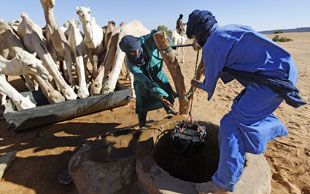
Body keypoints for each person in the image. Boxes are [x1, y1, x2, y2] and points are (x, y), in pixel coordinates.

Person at [186, 9, 306, 193]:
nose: (195, 41)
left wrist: (198, 83)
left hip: (271, 82)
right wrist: (212, 67)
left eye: (194, 36)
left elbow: (208, 87)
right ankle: (238, 154)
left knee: (229, 123)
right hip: (284, 70)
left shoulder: (211, 46)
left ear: (199, 32)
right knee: (239, 107)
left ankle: (222, 184)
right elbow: (240, 56)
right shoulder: (231, 29)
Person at [119, 31, 178, 128]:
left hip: (156, 71)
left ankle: (169, 110)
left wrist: (170, 44)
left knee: (166, 89)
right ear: (127, 53)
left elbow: (157, 34)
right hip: (142, 80)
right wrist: (158, 93)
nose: (137, 53)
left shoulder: (145, 41)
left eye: (138, 50)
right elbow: (145, 80)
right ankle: (142, 122)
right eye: (133, 52)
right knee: (141, 100)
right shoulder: (130, 64)